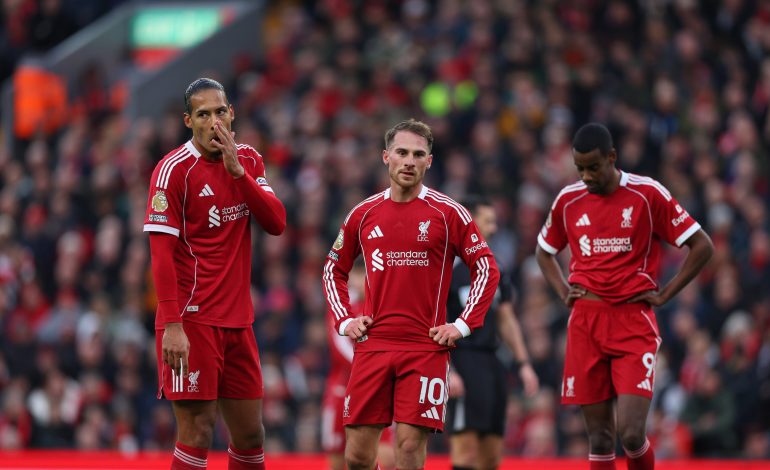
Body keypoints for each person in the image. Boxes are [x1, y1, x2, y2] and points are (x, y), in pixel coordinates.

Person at [322, 119, 500, 470]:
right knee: (357, 456)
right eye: (402, 153)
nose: (409, 161)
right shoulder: (364, 213)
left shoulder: (449, 213)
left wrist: (462, 325)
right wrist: (344, 320)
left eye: (418, 154)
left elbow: (487, 268)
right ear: (385, 156)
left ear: (429, 162)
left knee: (407, 449)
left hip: (425, 347)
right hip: (373, 344)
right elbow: (333, 269)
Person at [535, 123, 713, 470]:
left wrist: (664, 295)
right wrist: (562, 292)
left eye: (593, 167)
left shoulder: (647, 194)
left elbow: (702, 245)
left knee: (630, 434)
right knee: (600, 437)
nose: (586, 175)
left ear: (612, 157)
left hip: (633, 322)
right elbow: (544, 251)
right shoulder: (568, 200)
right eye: (580, 168)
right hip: (586, 323)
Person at [143, 78, 286, 470]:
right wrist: (172, 324)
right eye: (203, 114)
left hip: (239, 322)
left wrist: (238, 173)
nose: (213, 122)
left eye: (220, 111)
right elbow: (160, 256)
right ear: (189, 121)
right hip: (192, 321)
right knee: (198, 431)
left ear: (232, 113)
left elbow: (276, 222)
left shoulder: (249, 160)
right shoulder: (172, 171)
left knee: (251, 437)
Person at [445, 195, 540, 470]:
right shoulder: (446, 268)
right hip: (462, 358)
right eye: (488, 221)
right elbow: (433, 321)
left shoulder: (494, 267)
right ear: (469, 223)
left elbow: (506, 318)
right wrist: (447, 370)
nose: (494, 228)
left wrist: (523, 364)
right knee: (465, 447)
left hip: (492, 360)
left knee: (492, 450)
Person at [322, 264, 395, 470]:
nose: (360, 281)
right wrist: (373, 368)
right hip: (341, 391)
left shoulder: (384, 305)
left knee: (386, 457)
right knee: (338, 461)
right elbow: (340, 347)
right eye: (357, 275)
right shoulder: (344, 306)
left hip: (377, 390)